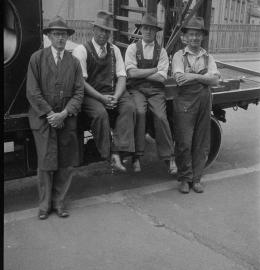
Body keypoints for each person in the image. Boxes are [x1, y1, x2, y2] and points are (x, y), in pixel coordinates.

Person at [26, 16, 84, 219]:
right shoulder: (37, 59)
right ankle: (44, 206)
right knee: (45, 162)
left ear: (68, 38)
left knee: (65, 162)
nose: (61, 38)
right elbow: (32, 91)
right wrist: (51, 114)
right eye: (57, 34)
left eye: (64, 35)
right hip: (44, 119)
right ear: (49, 36)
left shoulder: (74, 62)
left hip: (66, 118)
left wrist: (64, 113)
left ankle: (59, 203)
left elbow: (79, 93)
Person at [72, 10, 135, 172]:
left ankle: (119, 150)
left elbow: (122, 76)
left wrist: (116, 96)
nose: (103, 34)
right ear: (94, 30)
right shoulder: (81, 50)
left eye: (107, 31)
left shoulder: (114, 50)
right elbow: (82, 83)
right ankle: (108, 155)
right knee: (100, 114)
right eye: (100, 29)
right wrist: (102, 98)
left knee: (129, 107)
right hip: (91, 95)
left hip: (112, 92)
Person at [172, 17, 220, 194]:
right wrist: (203, 78)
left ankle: (196, 179)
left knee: (201, 142)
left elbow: (215, 80)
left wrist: (193, 76)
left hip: (203, 104)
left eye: (198, 35)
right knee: (184, 142)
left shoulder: (208, 57)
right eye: (191, 34)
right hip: (184, 104)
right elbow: (180, 79)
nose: (194, 38)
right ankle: (185, 179)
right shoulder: (179, 56)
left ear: (202, 37)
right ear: (185, 37)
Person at [125, 14, 177, 174]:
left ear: (156, 32)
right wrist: (153, 70)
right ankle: (137, 156)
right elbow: (131, 74)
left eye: (151, 29)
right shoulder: (132, 48)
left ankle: (169, 157)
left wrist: (141, 73)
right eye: (145, 28)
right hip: (137, 90)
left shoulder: (161, 51)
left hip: (156, 91)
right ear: (141, 29)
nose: (148, 31)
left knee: (161, 116)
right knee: (139, 112)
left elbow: (162, 77)